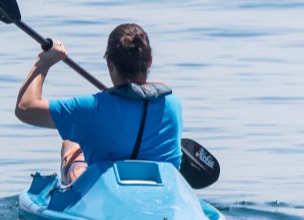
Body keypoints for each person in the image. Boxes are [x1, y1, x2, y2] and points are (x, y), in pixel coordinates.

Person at [13, 23, 185, 186]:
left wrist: (44, 63)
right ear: (149, 61)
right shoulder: (172, 104)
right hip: (162, 196)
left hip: (106, 194)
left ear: (110, 64)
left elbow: (24, 108)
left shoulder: (92, 108)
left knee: (70, 143)